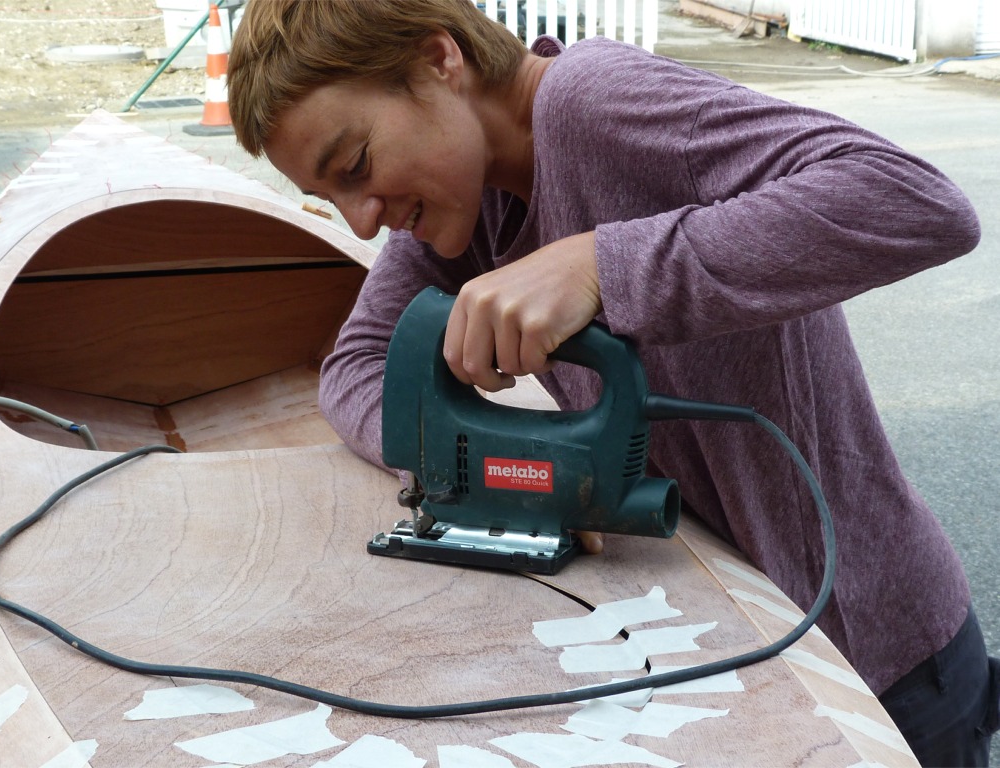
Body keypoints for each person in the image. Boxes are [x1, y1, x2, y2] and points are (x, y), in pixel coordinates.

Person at [226, 0, 998, 763]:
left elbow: (911, 199)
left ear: (438, 60)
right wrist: (506, 475)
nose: (360, 221)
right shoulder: (468, 191)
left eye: (355, 164)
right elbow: (360, 365)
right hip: (729, 635)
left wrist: (599, 263)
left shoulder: (592, 102)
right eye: (330, 199)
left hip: (877, 663)